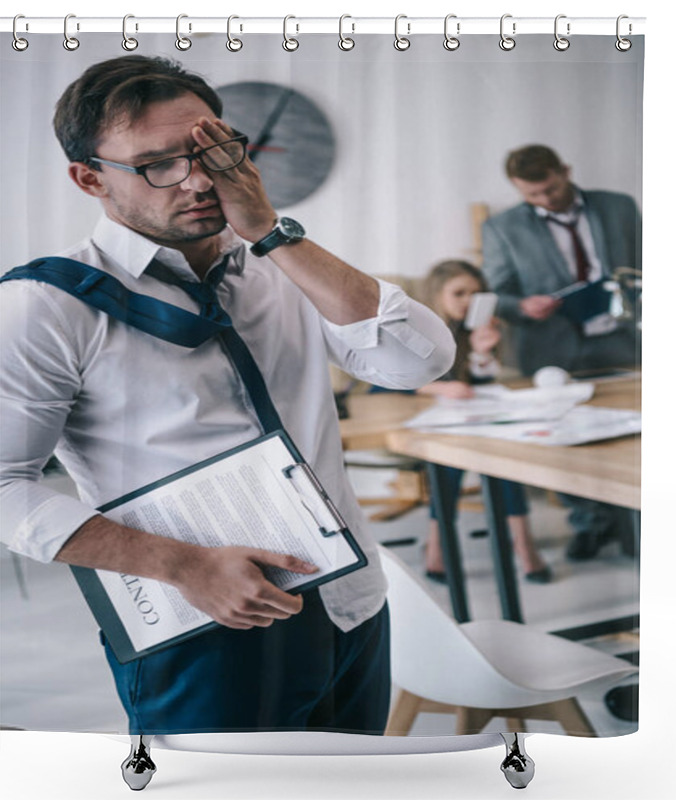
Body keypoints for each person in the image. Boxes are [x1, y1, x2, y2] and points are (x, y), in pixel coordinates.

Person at [0, 55, 455, 736]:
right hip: (199, 622)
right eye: (158, 165)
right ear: (89, 177)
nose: (199, 180)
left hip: (350, 602)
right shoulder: (43, 305)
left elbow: (417, 360)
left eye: (211, 150)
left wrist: (272, 232)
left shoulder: (283, 264)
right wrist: (182, 565)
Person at [482, 145, 641, 561]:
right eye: (533, 195)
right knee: (565, 437)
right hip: (550, 345)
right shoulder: (502, 227)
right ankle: (590, 524)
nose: (545, 200)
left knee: (631, 431)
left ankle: (636, 527)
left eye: (551, 189)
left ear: (565, 171)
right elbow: (496, 293)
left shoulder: (619, 206)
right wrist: (522, 306)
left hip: (620, 338)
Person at [417, 260, 552, 584]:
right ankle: (438, 549)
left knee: (504, 458)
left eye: (476, 293)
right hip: (426, 418)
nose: (468, 300)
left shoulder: (480, 328)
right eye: (459, 293)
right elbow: (385, 383)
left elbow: (480, 381)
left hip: (469, 417)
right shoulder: (417, 329)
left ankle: (523, 544)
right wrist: (441, 387)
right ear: (437, 295)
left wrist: (482, 351)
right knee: (448, 464)